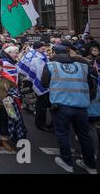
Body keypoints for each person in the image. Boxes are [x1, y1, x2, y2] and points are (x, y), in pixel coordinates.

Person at [41, 45, 98, 174]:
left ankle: (67, 162)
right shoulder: (82, 66)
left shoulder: (51, 65)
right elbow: (90, 85)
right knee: (84, 135)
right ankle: (90, 165)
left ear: (54, 52)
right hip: (81, 106)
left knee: (63, 134)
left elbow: (44, 83)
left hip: (61, 105)